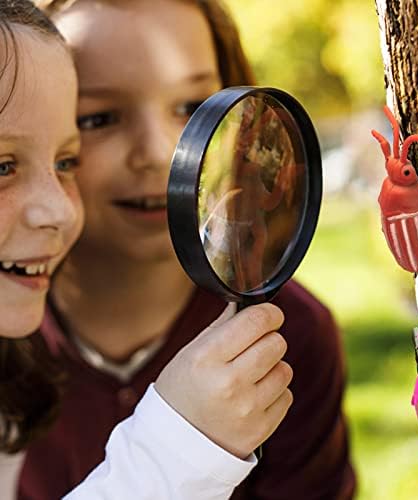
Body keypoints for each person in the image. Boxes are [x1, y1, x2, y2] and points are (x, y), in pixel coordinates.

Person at [19, 0, 356, 498]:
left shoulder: (286, 338)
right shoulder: (9, 327)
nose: (158, 152)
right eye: (99, 118)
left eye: (193, 108)